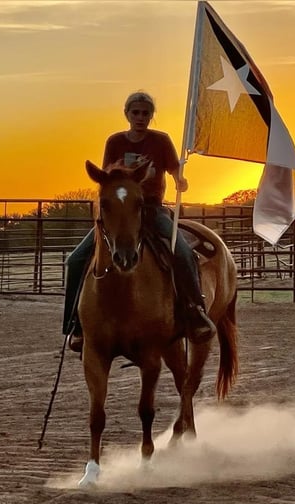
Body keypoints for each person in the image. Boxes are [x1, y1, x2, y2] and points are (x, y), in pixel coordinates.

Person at [63, 91, 216, 352]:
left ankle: (195, 310)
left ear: (151, 116)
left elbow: (173, 167)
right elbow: (109, 177)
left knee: (181, 251)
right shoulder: (115, 142)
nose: (141, 118)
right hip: (121, 213)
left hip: (151, 209)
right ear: (127, 114)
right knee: (76, 259)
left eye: (146, 113)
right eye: (136, 112)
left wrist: (180, 178)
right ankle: (75, 324)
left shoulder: (161, 141)